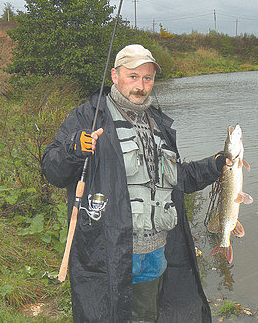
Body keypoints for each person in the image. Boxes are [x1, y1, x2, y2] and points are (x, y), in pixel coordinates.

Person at [41, 44, 226, 322]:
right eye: (133, 76)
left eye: (148, 78)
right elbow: (52, 169)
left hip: (154, 253)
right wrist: (73, 148)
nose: (141, 86)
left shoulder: (159, 124)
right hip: (109, 254)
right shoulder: (88, 116)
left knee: (146, 317)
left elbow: (177, 180)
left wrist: (215, 165)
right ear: (115, 76)